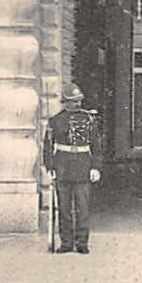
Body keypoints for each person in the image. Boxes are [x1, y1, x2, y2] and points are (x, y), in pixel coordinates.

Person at [42, 84, 103, 254]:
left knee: (82, 208)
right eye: (72, 101)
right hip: (62, 166)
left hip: (83, 165)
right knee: (64, 208)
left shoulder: (89, 119)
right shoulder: (54, 121)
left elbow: (96, 146)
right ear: (65, 102)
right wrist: (50, 167)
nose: (77, 104)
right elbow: (47, 147)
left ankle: (82, 242)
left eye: (78, 101)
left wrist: (95, 167)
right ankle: (66, 242)